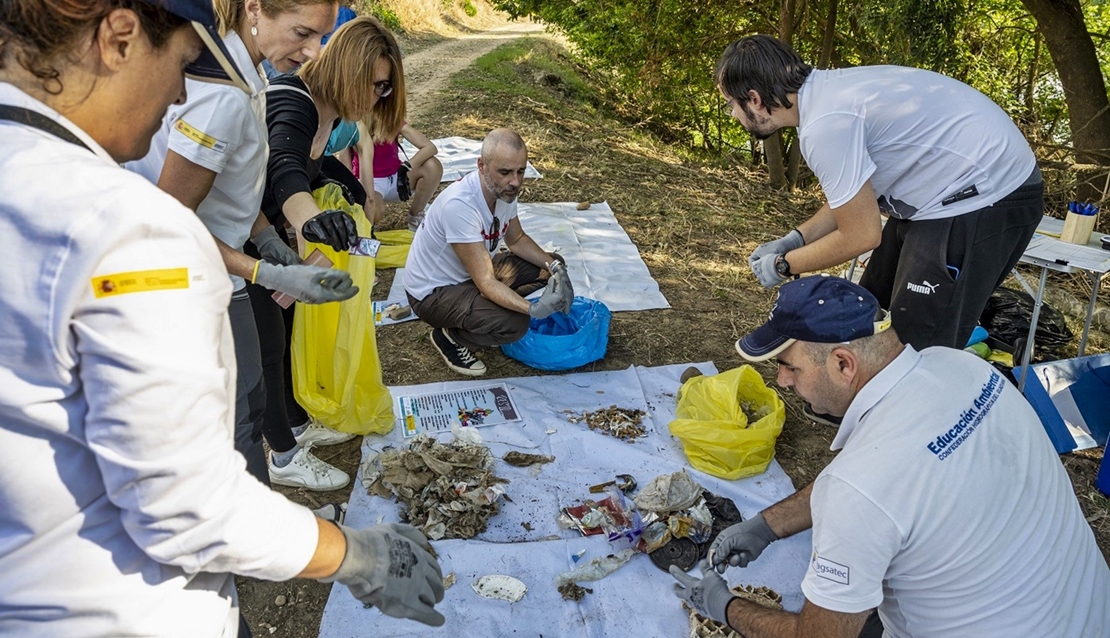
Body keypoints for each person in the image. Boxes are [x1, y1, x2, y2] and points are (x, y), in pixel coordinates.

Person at [0, 0, 444, 635]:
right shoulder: (127, 230)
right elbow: (187, 506)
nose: (182, 91)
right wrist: (355, 555)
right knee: (246, 410)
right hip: (124, 608)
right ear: (120, 38)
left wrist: (267, 246)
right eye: (183, 63)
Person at [670, 275, 1110, 638]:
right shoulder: (959, 366)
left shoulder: (858, 491)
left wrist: (726, 607)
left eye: (790, 366)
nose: (783, 382)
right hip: (1087, 612)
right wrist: (768, 525)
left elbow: (820, 636)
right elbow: (882, 479)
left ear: (844, 365)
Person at [126, 0, 357, 490]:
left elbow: (233, 184)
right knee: (236, 421)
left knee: (253, 392)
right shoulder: (222, 96)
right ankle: (239, 538)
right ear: (255, 8)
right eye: (302, 33)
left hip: (222, 266)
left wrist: (268, 240)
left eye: (321, 37)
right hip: (186, 279)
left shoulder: (249, 71)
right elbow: (168, 224)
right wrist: (264, 273)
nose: (313, 53)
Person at [717, 36, 1043, 357]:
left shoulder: (825, 123)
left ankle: (909, 405)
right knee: (869, 307)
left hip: (988, 194)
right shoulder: (823, 99)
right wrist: (795, 239)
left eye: (732, 104)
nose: (733, 114)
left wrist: (785, 265)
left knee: (914, 344)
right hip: (937, 195)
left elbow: (861, 235)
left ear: (755, 99)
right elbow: (852, 200)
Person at [251, 15, 403, 490]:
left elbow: (312, 170)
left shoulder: (329, 111)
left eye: (384, 89)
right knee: (268, 347)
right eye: (375, 85)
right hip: (241, 239)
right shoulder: (293, 101)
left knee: (290, 328)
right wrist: (310, 220)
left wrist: (348, 188)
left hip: (269, 235)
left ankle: (296, 423)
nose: (377, 96)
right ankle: (282, 456)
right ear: (348, 69)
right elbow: (285, 168)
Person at [402, 128, 573, 376]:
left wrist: (557, 269)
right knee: (516, 325)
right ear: (481, 166)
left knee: (550, 267)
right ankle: (450, 336)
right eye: (505, 172)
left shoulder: (504, 190)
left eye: (520, 171)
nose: (515, 181)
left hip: (471, 276)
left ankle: (483, 314)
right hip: (432, 294)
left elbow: (517, 239)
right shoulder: (460, 206)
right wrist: (531, 309)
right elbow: (485, 281)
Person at [353, 119, 444, 232]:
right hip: (370, 181)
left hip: (396, 176)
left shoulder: (391, 119)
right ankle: (368, 227)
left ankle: (416, 215)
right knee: (375, 211)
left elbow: (430, 147)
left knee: (432, 166)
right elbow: (345, 160)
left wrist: (407, 166)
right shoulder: (353, 124)